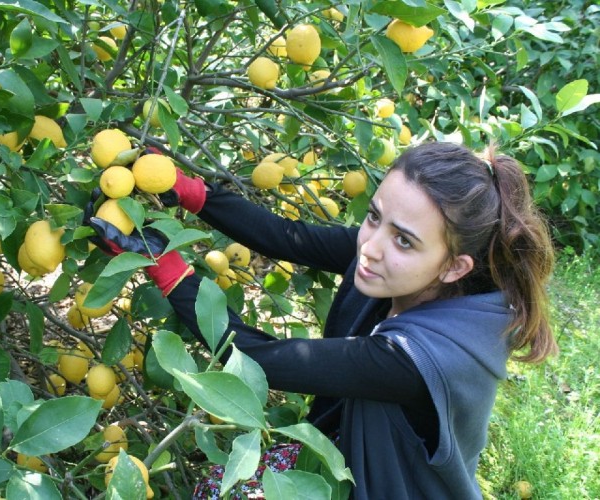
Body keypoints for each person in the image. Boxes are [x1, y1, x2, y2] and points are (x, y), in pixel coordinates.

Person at [85, 141, 557, 499]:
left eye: (404, 240)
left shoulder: (420, 359)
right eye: (374, 217)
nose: (370, 247)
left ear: (455, 267)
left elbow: (262, 359)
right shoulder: (392, 260)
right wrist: (192, 193)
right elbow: (290, 238)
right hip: (337, 451)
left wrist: (162, 264)